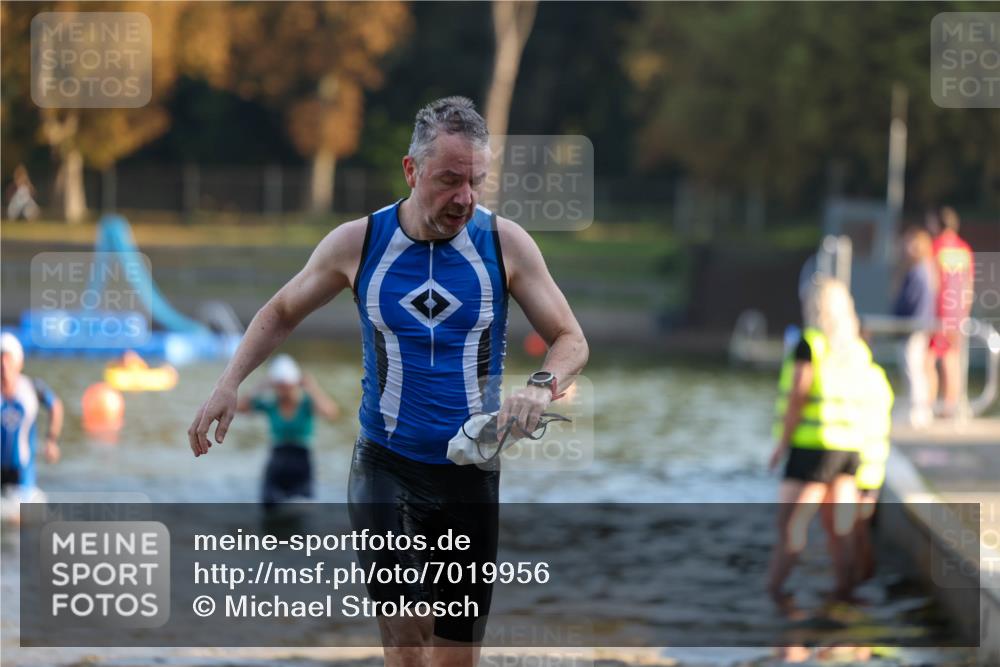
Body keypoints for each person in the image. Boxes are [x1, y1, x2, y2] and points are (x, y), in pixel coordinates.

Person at [189, 96, 589, 667]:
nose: (465, 198)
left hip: (469, 478)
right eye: (449, 180)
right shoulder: (359, 243)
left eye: (476, 181)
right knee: (405, 633)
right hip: (385, 465)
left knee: (455, 658)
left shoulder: (505, 245)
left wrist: (540, 385)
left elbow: (571, 338)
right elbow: (279, 312)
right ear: (411, 170)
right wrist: (228, 384)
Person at [767, 278, 871, 605]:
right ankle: (845, 595)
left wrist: (782, 443)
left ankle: (774, 592)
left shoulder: (809, 344)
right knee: (838, 528)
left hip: (812, 447)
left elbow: (799, 394)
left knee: (790, 526)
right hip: (850, 448)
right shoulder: (857, 349)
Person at [236, 353, 340, 508]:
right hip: (277, 458)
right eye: (279, 386)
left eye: (286, 385)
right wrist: (259, 387)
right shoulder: (271, 404)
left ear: (295, 383)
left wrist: (313, 388)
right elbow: (240, 408)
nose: (283, 390)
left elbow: (331, 413)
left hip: (301, 459)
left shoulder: (306, 402)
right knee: (268, 504)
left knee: (302, 508)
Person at [1, 332, 63, 521]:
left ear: (19, 363)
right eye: (0, 360)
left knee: (19, 522)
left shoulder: (33, 388)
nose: (4, 366)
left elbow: (56, 406)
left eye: (8, 360)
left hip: (22, 474)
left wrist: (51, 440)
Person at [927, 206, 975, 418]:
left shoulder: (935, 247)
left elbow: (932, 282)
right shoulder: (964, 249)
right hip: (957, 312)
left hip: (939, 312)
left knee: (927, 359)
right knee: (953, 359)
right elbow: (968, 283)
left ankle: (926, 404)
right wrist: (964, 310)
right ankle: (950, 405)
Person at [853, 362, 894, 584]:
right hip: (873, 464)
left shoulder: (851, 375)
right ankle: (864, 580)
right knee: (860, 527)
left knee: (854, 528)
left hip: (859, 463)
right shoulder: (877, 375)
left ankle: (857, 581)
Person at [893, 226, 936, 427]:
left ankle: (918, 411)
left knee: (914, 369)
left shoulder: (920, 271)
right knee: (914, 368)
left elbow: (912, 302)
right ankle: (918, 409)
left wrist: (903, 322)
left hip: (914, 327)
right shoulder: (920, 269)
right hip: (916, 326)